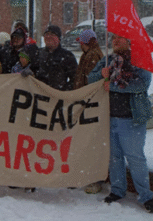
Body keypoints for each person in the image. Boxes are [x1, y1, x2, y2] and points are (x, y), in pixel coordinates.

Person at [88, 34, 153, 213]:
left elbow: (142, 84)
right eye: (114, 38)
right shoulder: (107, 60)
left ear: (128, 40)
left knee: (135, 158)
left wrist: (114, 86)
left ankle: (146, 196)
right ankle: (117, 191)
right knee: (114, 157)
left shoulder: (138, 59)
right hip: (110, 117)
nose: (116, 41)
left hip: (132, 118)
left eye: (120, 38)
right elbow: (91, 79)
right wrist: (100, 75)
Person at [73, 29, 104, 194]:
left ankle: (94, 179)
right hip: (86, 103)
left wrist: (82, 98)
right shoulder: (89, 54)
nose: (80, 45)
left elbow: (90, 81)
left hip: (90, 104)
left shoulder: (93, 56)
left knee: (91, 143)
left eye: (82, 42)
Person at [33, 25, 78, 91]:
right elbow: (31, 71)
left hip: (57, 97)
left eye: (52, 34)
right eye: (46, 34)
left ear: (59, 38)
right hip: (39, 95)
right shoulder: (38, 53)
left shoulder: (67, 56)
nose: (48, 37)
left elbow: (75, 79)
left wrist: (63, 91)